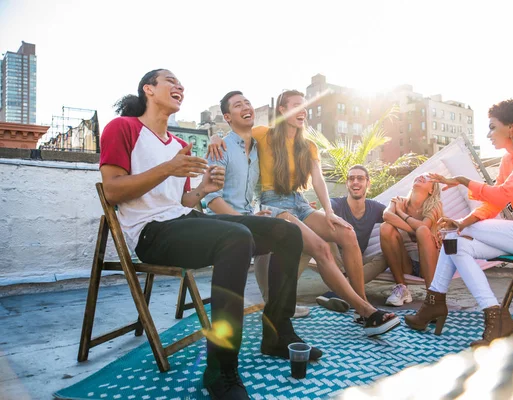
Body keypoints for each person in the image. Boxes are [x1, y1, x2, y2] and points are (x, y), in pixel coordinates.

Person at [100, 70, 320, 400]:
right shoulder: (124, 128)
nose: (179, 86)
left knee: (286, 233)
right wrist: (168, 169)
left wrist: (203, 189)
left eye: (181, 83)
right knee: (237, 239)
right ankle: (221, 369)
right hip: (151, 234)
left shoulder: (177, 144)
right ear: (148, 89)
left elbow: (183, 202)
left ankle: (277, 332)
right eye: (169, 81)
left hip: (183, 219)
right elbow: (113, 190)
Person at [208, 90, 399, 337]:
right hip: (273, 204)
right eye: (296, 106)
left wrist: (330, 212)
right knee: (318, 247)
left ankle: (361, 310)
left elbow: (318, 180)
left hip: (299, 202)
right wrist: (214, 137)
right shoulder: (263, 135)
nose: (302, 111)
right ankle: (365, 310)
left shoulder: (307, 145)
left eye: (304, 106)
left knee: (347, 234)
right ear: (282, 110)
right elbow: (233, 136)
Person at [404, 99, 513, 347]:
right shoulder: (508, 161)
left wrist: (462, 182)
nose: (488, 133)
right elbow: (496, 203)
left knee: (455, 233)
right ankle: (477, 311)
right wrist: (463, 221)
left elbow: (502, 194)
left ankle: (437, 306)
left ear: (510, 128)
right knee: (454, 241)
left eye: (492, 127)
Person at [204, 90, 309, 318]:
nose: (246, 107)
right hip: (222, 222)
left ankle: (278, 307)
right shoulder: (220, 147)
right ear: (227, 117)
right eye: (237, 105)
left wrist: (253, 215)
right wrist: (216, 136)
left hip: (246, 217)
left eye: (247, 103)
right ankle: (275, 306)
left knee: (292, 235)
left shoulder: (257, 150)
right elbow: (211, 199)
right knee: (281, 234)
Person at [315, 165, 387, 322]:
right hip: (335, 260)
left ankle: (339, 291)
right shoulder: (335, 204)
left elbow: (393, 217)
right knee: (326, 229)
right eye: (351, 178)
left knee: (385, 256)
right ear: (347, 184)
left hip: (358, 262)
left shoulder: (375, 208)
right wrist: (313, 214)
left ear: (368, 183)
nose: (355, 182)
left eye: (360, 178)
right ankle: (352, 293)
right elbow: (321, 215)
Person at [379, 173, 443, 305]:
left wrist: (401, 213)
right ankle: (402, 289)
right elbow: (386, 215)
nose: (421, 177)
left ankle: (433, 298)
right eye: (420, 175)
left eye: (427, 178)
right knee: (386, 227)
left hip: (431, 263)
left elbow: (424, 228)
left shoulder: (435, 205)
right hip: (407, 263)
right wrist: (415, 230)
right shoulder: (398, 201)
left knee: (423, 230)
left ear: (431, 190)